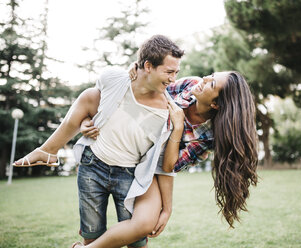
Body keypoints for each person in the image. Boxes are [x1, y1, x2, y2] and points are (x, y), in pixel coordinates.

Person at [15, 34, 184, 248]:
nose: (173, 79)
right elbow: (94, 99)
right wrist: (86, 120)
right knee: (92, 235)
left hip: (130, 175)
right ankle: (48, 150)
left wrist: (166, 207)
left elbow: (164, 166)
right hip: (93, 166)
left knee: (137, 242)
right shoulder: (115, 78)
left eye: (176, 73)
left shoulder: (167, 111)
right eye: (169, 72)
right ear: (148, 66)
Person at [71, 70, 258, 248]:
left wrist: (177, 128)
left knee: (144, 225)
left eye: (212, 83)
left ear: (216, 104)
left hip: (150, 167)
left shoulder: (209, 137)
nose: (205, 79)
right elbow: (139, 94)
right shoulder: (188, 85)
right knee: (96, 229)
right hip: (125, 148)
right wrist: (88, 120)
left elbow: (169, 166)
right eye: (211, 75)